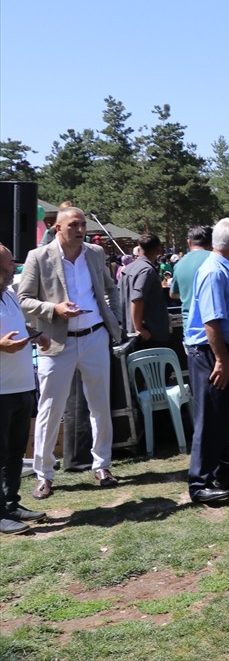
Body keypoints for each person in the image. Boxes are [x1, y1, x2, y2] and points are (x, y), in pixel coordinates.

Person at [18, 207, 122, 499]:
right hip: (56, 343)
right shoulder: (38, 257)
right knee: (49, 410)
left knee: (100, 405)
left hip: (95, 337)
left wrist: (114, 318)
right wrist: (54, 309)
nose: (81, 229)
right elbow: (23, 299)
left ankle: (102, 465)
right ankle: (44, 474)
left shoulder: (95, 253)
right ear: (57, 228)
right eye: (74, 225)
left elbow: (110, 287)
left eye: (83, 224)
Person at [183, 218, 229, 505]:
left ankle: (224, 470)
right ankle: (199, 483)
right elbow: (211, 321)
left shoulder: (220, 268)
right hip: (212, 354)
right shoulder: (214, 272)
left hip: (220, 353)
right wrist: (221, 360)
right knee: (210, 419)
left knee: (223, 415)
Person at [1, 243, 49, 534]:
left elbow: (17, 326)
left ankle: (10, 503)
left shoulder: (9, 296)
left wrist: (35, 335)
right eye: (7, 267)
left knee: (15, 452)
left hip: (21, 386)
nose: (12, 271)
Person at [120, 233, 170, 350]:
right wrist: (139, 328)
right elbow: (138, 298)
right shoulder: (147, 271)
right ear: (158, 250)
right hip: (149, 335)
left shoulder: (128, 268)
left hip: (131, 333)